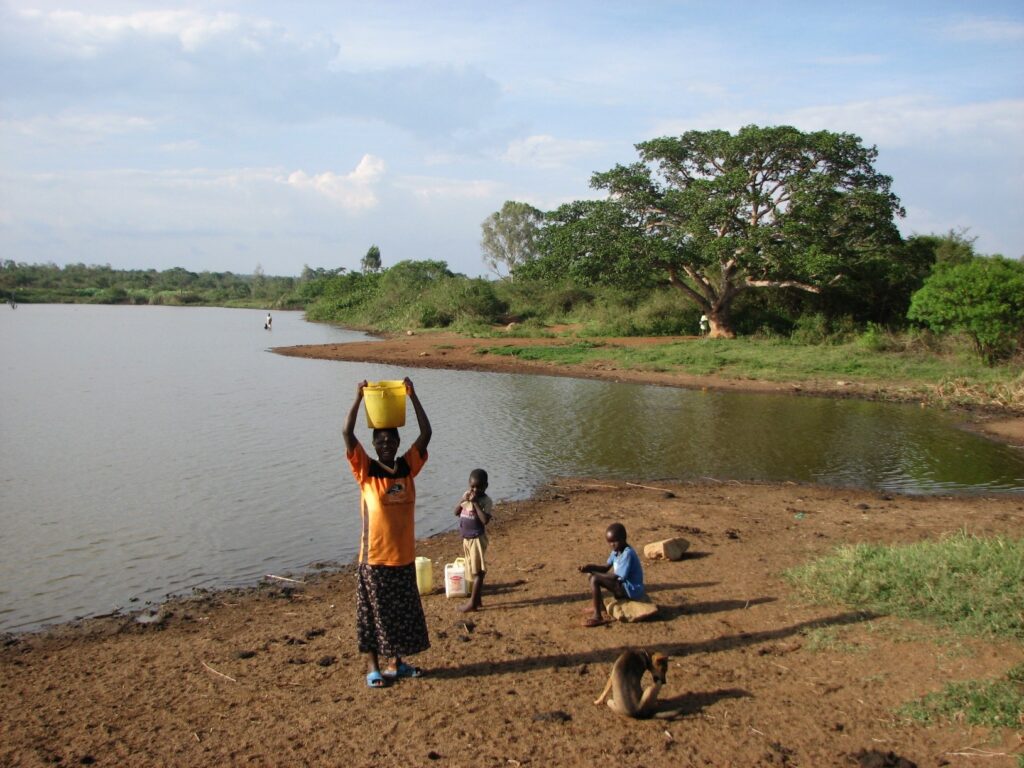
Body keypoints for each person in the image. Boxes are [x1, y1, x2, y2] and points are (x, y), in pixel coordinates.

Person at [343, 376, 432, 688]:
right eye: (380, 442)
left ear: (396, 444)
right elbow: (346, 433)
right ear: (374, 445)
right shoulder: (366, 471)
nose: (385, 445)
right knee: (373, 615)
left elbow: (426, 433)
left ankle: (398, 664)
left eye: (390, 441)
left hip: (404, 557)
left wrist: (412, 395)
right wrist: (357, 398)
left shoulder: (407, 466)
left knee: (401, 615)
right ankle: (374, 668)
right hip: (375, 559)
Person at [578, 522, 645, 627]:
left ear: (624, 539)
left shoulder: (627, 554)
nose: (612, 545)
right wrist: (590, 568)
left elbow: (616, 577)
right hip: (622, 585)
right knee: (592, 576)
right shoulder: (616, 551)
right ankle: (599, 606)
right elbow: (605, 568)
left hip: (631, 589)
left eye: (615, 541)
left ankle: (598, 617)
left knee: (595, 578)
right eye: (609, 542)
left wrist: (595, 573)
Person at [453, 468, 493, 612]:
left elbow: (484, 520)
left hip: (477, 539)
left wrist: (475, 503)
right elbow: (456, 512)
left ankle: (472, 604)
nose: (475, 490)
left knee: (478, 572)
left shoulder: (485, 501)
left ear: (486, 486)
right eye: (472, 486)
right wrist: (463, 499)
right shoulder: (467, 497)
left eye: (479, 487)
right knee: (472, 569)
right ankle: (478, 600)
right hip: (467, 539)